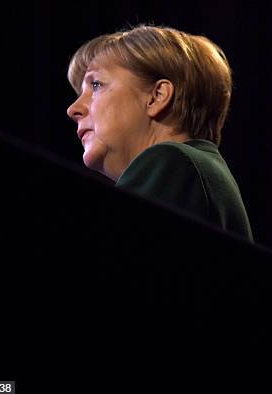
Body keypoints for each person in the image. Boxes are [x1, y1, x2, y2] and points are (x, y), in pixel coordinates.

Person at [66, 24, 253, 241]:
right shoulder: (194, 169)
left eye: (96, 84)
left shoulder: (173, 163)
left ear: (157, 97)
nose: (73, 109)